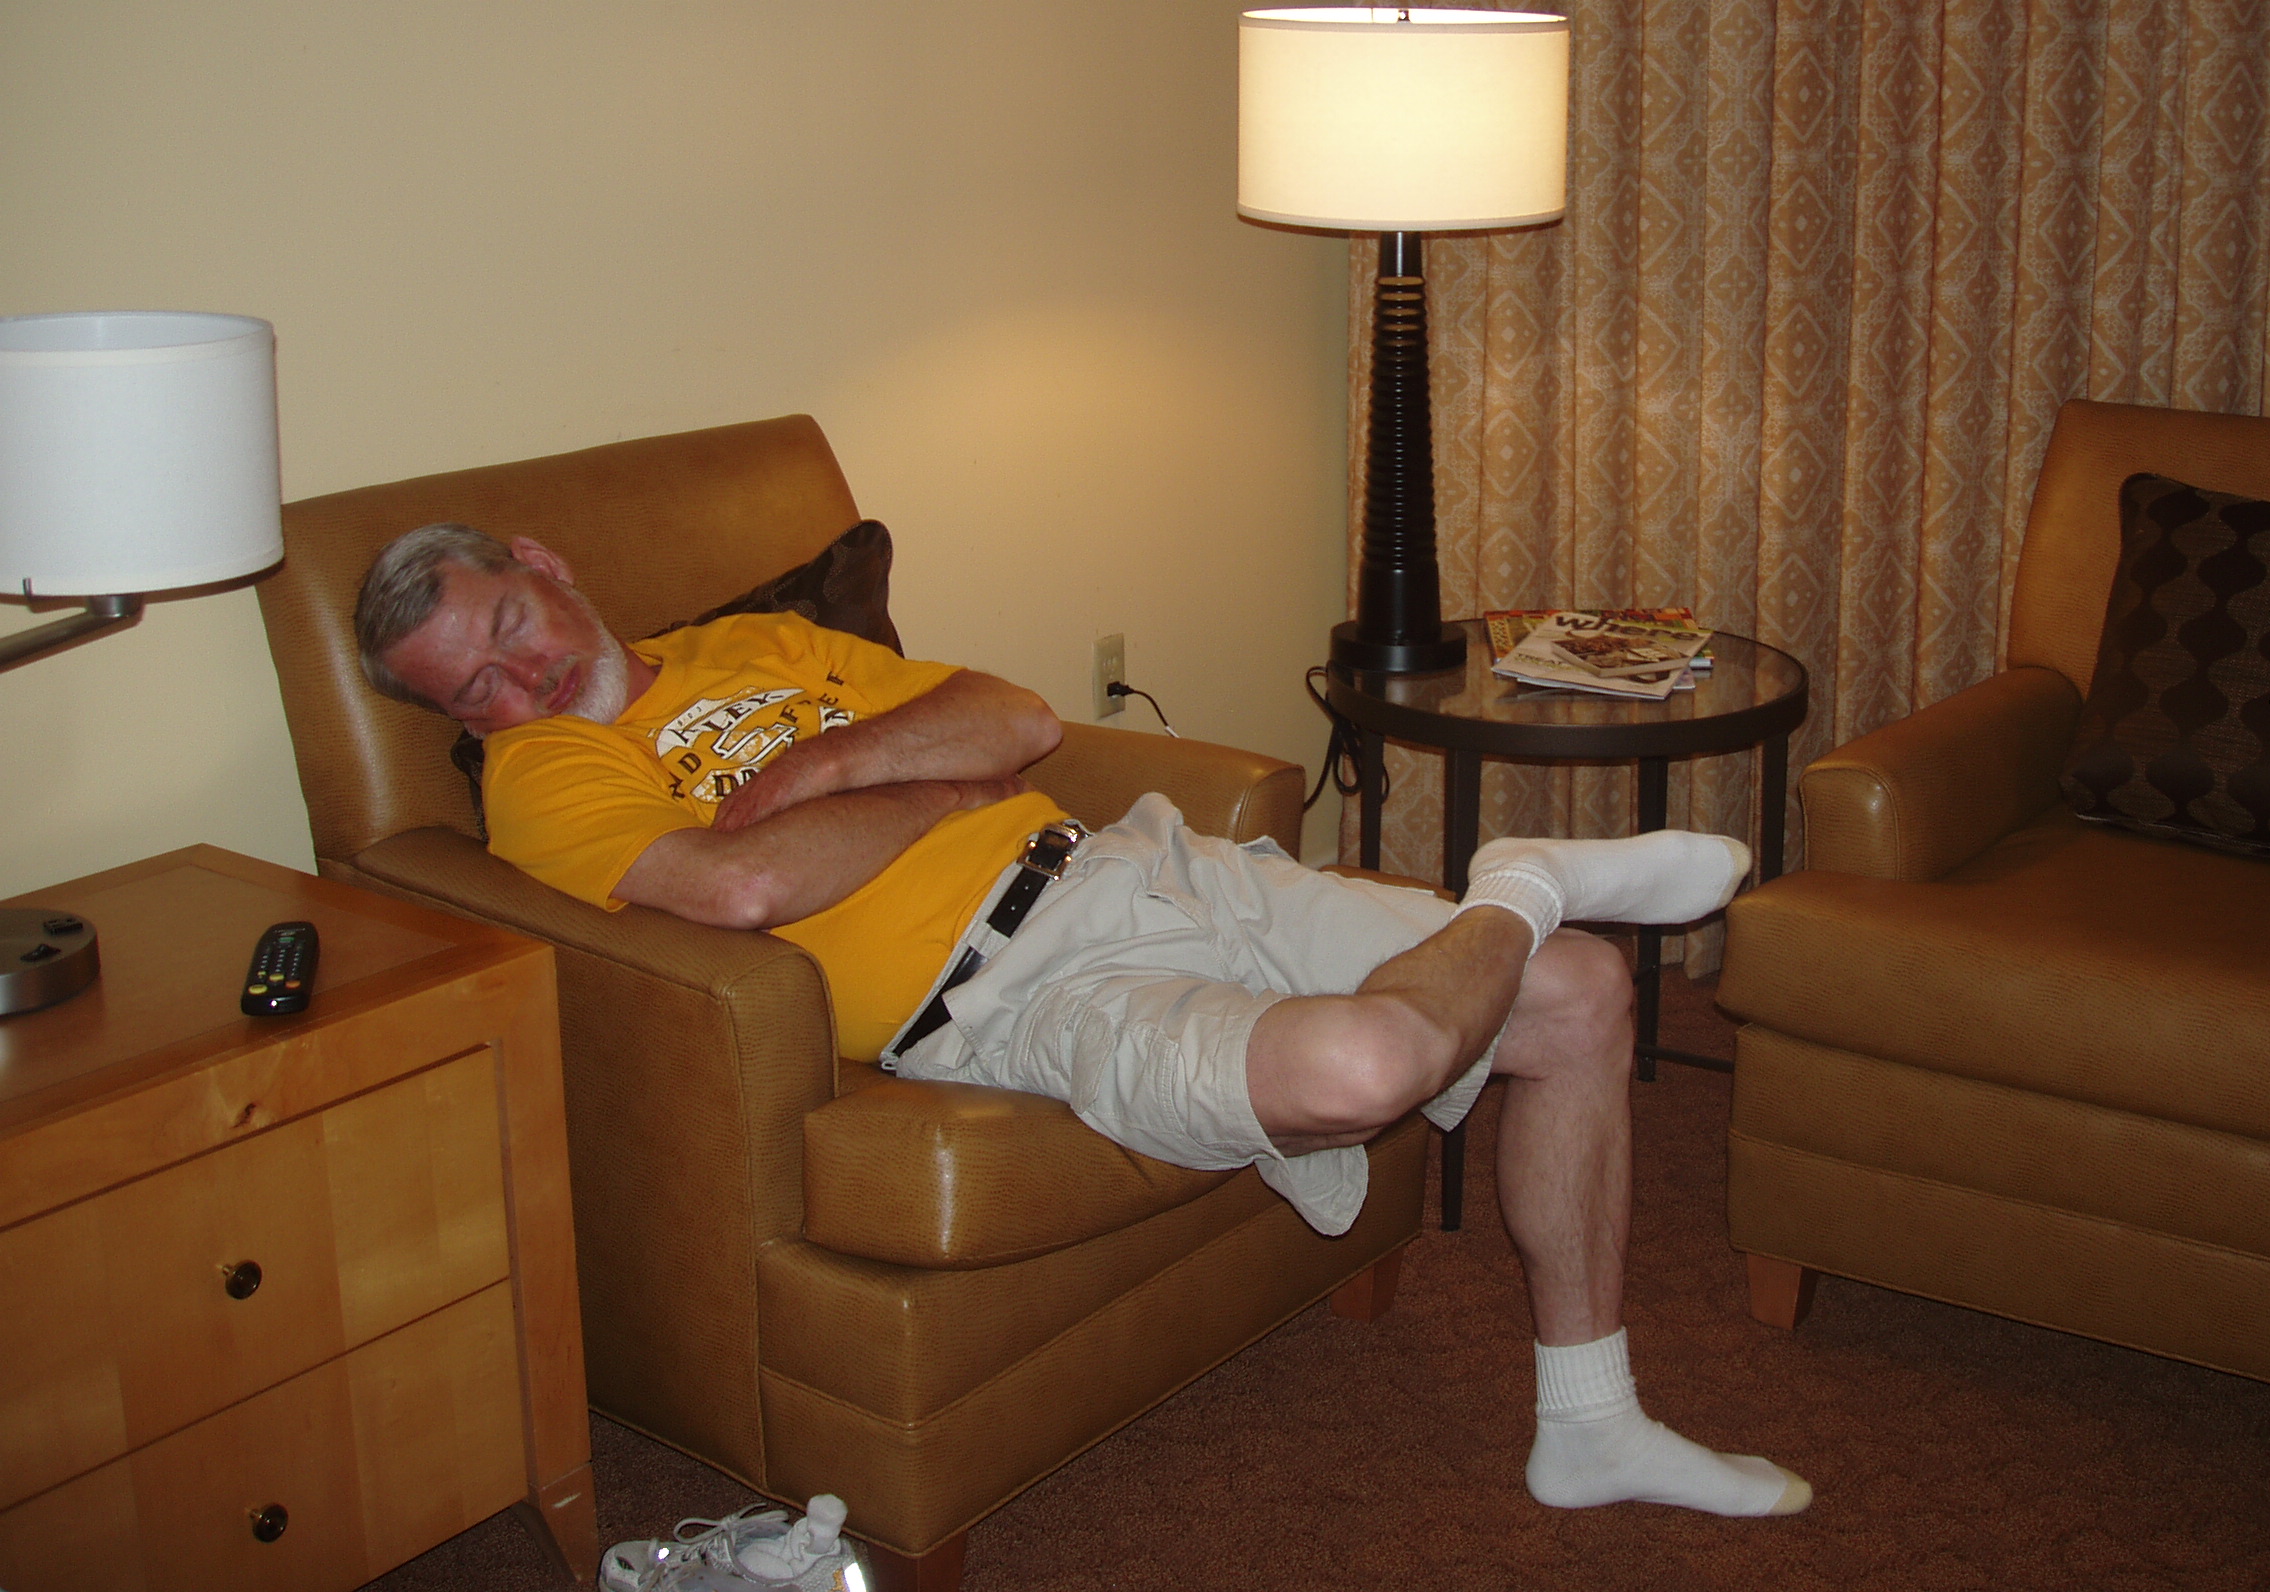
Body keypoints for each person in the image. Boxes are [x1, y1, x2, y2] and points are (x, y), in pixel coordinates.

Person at [357, 524, 1812, 1521]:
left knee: (1580, 994)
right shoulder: (545, 778)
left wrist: (823, 775)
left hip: (1128, 861)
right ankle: (1526, 879)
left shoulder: (754, 644)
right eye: (472, 690)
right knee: (1371, 1062)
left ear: (543, 566)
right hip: (1017, 995)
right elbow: (741, 887)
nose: (521, 679)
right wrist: (938, 791)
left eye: (510, 627)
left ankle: (1590, 1420)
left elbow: (1017, 719)